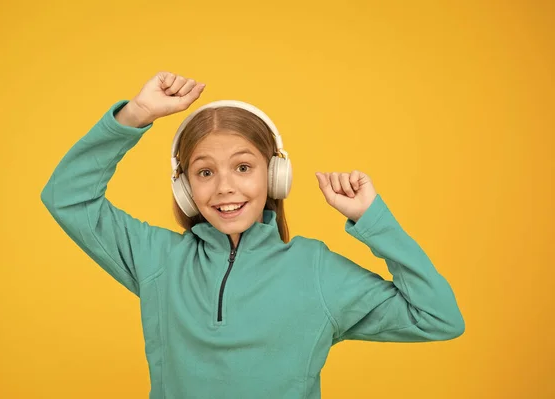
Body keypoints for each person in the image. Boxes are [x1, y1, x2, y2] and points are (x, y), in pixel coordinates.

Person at [40, 71, 465, 398]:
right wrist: (135, 115)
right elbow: (67, 197)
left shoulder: (315, 270)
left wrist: (374, 221)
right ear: (185, 187)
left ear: (275, 176)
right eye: (205, 172)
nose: (225, 187)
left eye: (243, 167)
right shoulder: (158, 261)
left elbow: (438, 317)